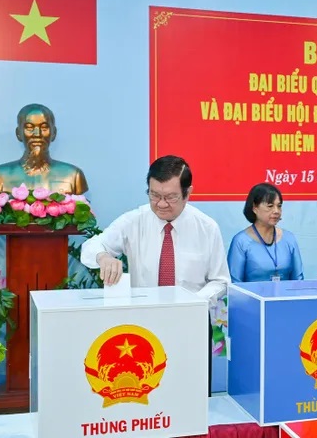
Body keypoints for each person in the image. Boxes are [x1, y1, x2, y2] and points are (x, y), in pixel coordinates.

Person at [80, 155, 230, 396]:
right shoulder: (134, 221)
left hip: (191, 322)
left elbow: (220, 280)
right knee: (148, 395)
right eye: (154, 195)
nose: (161, 204)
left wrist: (192, 302)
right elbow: (91, 247)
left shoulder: (206, 227)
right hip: (144, 325)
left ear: (188, 193)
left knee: (191, 394)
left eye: (170, 197)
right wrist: (103, 257)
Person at [0, 103, 89, 195]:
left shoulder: (73, 175)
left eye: (44, 127)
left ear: (54, 133)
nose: (37, 134)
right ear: (18, 133)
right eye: (29, 127)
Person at [227, 183, 304, 282]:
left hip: (285, 292)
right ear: (255, 208)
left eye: (279, 206)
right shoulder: (241, 241)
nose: (276, 211)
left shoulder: (289, 238)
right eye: (270, 206)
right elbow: (235, 283)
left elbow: (298, 280)